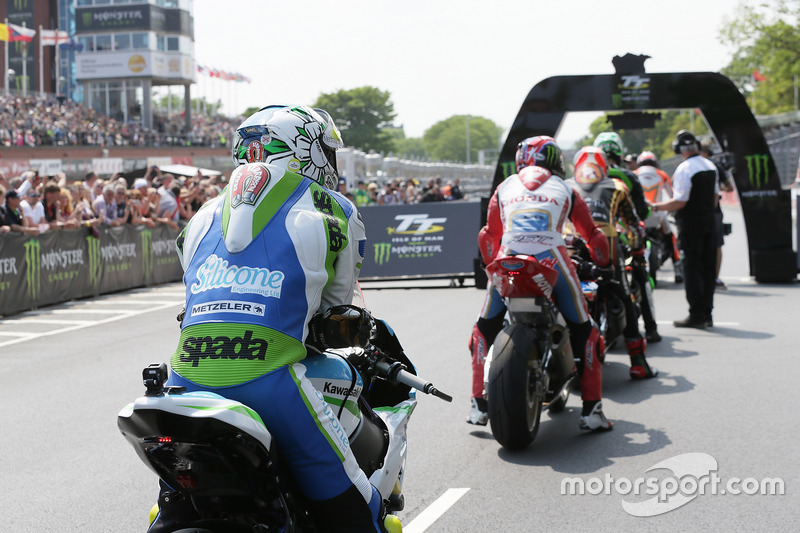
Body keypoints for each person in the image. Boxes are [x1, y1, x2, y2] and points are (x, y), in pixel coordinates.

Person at [152, 105, 395, 533]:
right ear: (306, 150)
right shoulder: (336, 211)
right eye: (328, 151)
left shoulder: (197, 218)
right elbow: (336, 311)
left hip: (183, 381)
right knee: (360, 511)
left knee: (173, 506)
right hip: (272, 382)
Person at [468, 136, 614, 431]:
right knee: (587, 332)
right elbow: (592, 234)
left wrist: (490, 267)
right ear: (552, 161)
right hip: (552, 259)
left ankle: (477, 405)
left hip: (508, 260)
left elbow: (488, 235)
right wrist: (603, 260)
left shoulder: (505, 186)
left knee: (483, 330)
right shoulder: (566, 188)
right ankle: (592, 410)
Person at [567, 146, 659, 377]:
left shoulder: (565, 187)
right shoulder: (617, 186)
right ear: (604, 167)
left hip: (571, 245)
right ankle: (638, 362)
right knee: (623, 294)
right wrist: (637, 250)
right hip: (605, 246)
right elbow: (633, 225)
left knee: (562, 292)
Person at [594, 132, 660, 343]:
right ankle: (650, 329)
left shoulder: (587, 176)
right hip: (621, 237)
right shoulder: (627, 177)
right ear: (619, 152)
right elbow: (641, 212)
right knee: (639, 273)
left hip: (589, 238)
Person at [651, 130, 719, 329]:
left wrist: (656, 206)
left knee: (691, 268)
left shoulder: (684, 169)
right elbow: (715, 199)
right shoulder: (710, 165)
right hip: (709, 222)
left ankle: (696, 314)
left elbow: (680, 201)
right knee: (708, 269)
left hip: (690, 226)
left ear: (679, 149)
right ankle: (707, 313)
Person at [636, 151, 683, 284]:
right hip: (657, 213)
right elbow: (673, 196)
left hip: (640, 216)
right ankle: (677, 267)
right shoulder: (661, 174)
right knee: (670, 237)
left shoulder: (634, 175)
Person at [699, 141, 734, 290]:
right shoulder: (712, 166)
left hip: (709, 212)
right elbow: (728, 187)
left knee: (715, 244)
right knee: (713, 244)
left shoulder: (710, 167)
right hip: (709, 212)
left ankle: (713, 277)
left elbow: (729, 187)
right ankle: (712, 278)